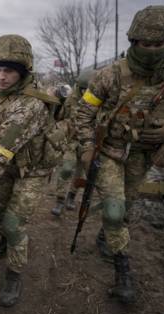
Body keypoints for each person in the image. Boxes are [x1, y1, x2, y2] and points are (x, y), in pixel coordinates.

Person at [75, 5, 164, 304]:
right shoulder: (109, 75)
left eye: (159, 44)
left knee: (124, 210)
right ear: (134, 43)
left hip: (143, 158)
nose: (152, 50)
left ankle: (106, 236)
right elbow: (83, 114)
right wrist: (88, 147)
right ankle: (123, 275)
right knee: (115, 211)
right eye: (146, 44)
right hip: (110, 153)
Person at [0, 34, 59, 307]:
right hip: (12, 167)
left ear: (23, 72)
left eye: (9, 71)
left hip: (32, 172)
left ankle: (14, 274)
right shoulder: (5, 96)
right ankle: (6, 237)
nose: (1, 77)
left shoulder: (30, 105)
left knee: (14, 224)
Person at [51, 72, 94, 216]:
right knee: (66, 168)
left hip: (87, 142)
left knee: (80, 172)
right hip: (71, 141)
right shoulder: (71, 99)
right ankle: (60, 199)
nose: (84, 92)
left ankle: (71, 197)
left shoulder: (98, 101)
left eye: (87, 90)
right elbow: (60, 116)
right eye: (82, 89)